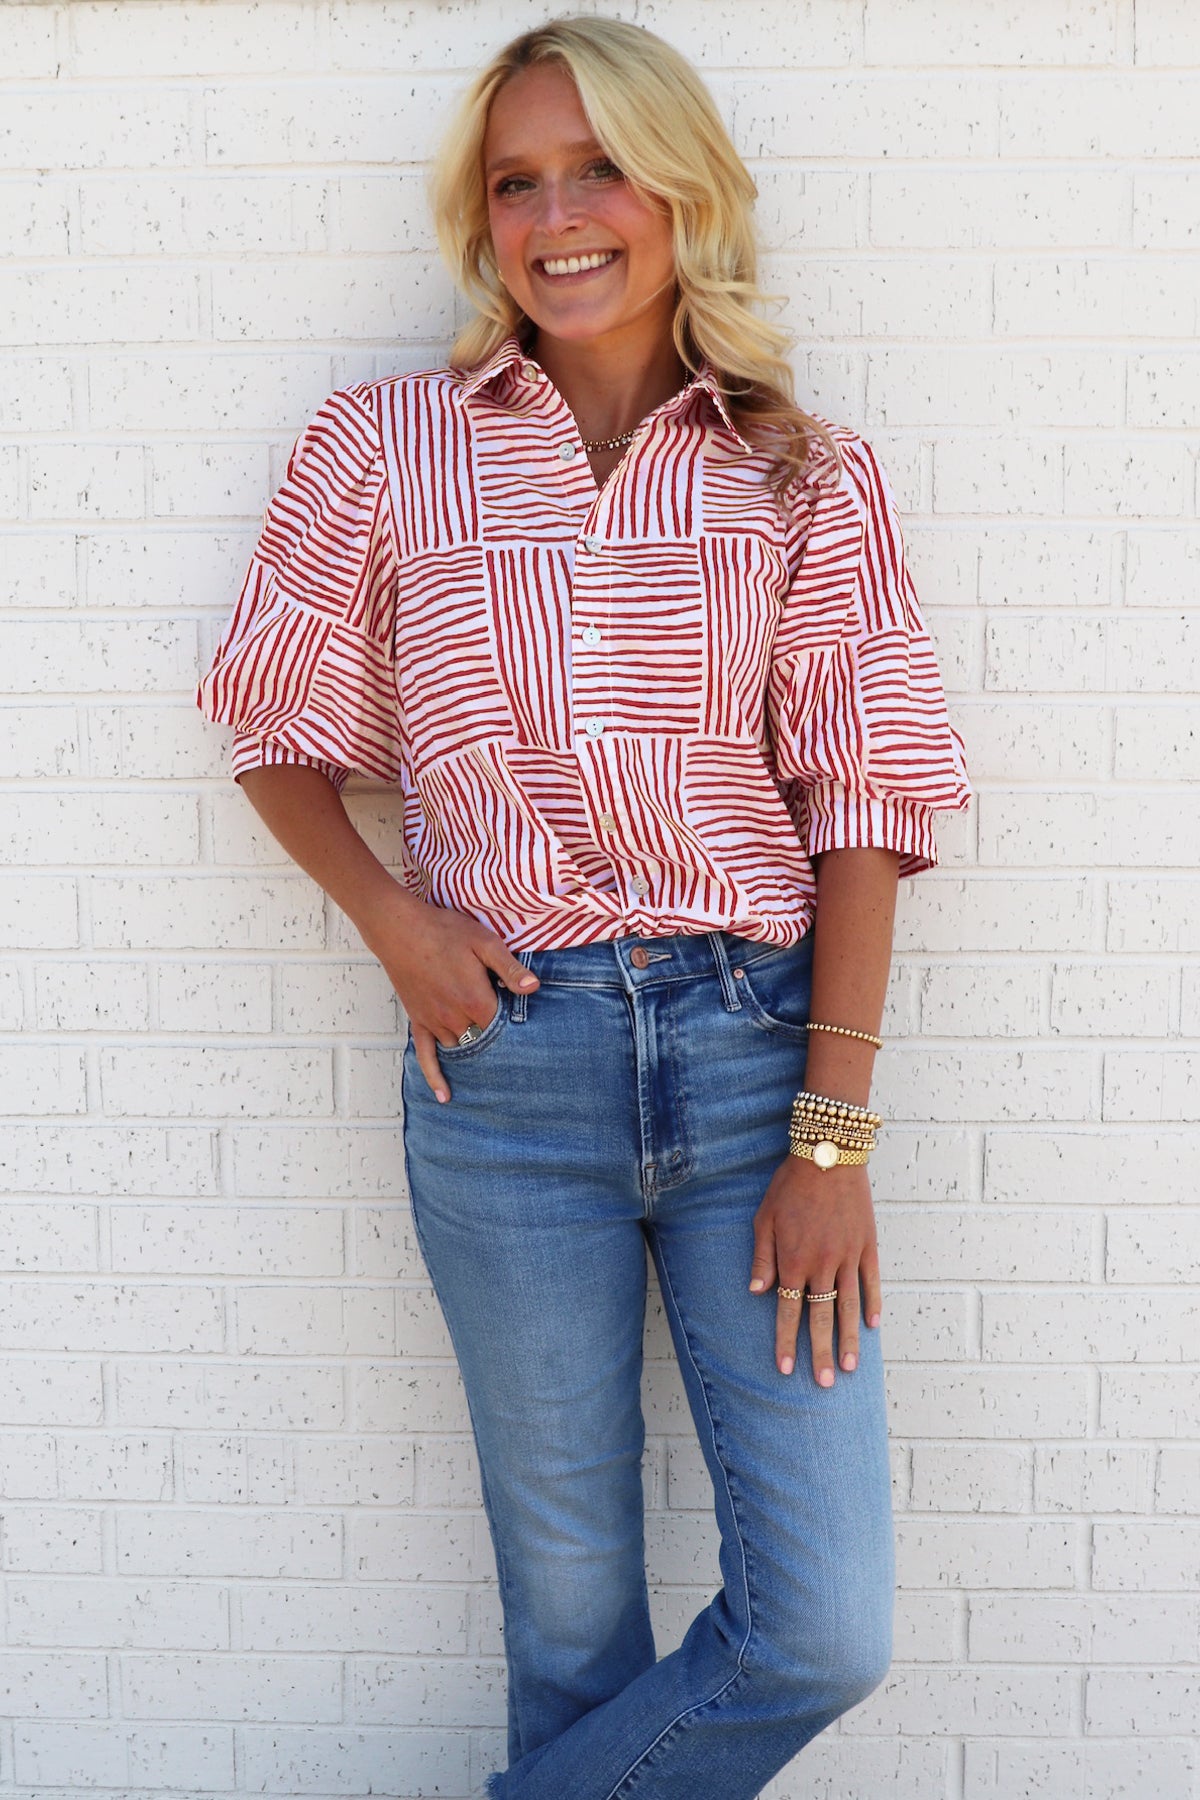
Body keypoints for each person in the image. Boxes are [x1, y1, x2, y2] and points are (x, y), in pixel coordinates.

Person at [196, 16, 971, 1797]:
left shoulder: (803, 472)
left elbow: (866, 806)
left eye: (600, 168)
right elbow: (271, 722)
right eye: (518, 182)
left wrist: (833, 1139)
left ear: (680, 189)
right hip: (508, 1074)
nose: (558, 217)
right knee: (567, 1625)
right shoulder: (387, 446)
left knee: (823, 1624)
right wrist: (395, 922)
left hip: (755, 1065)